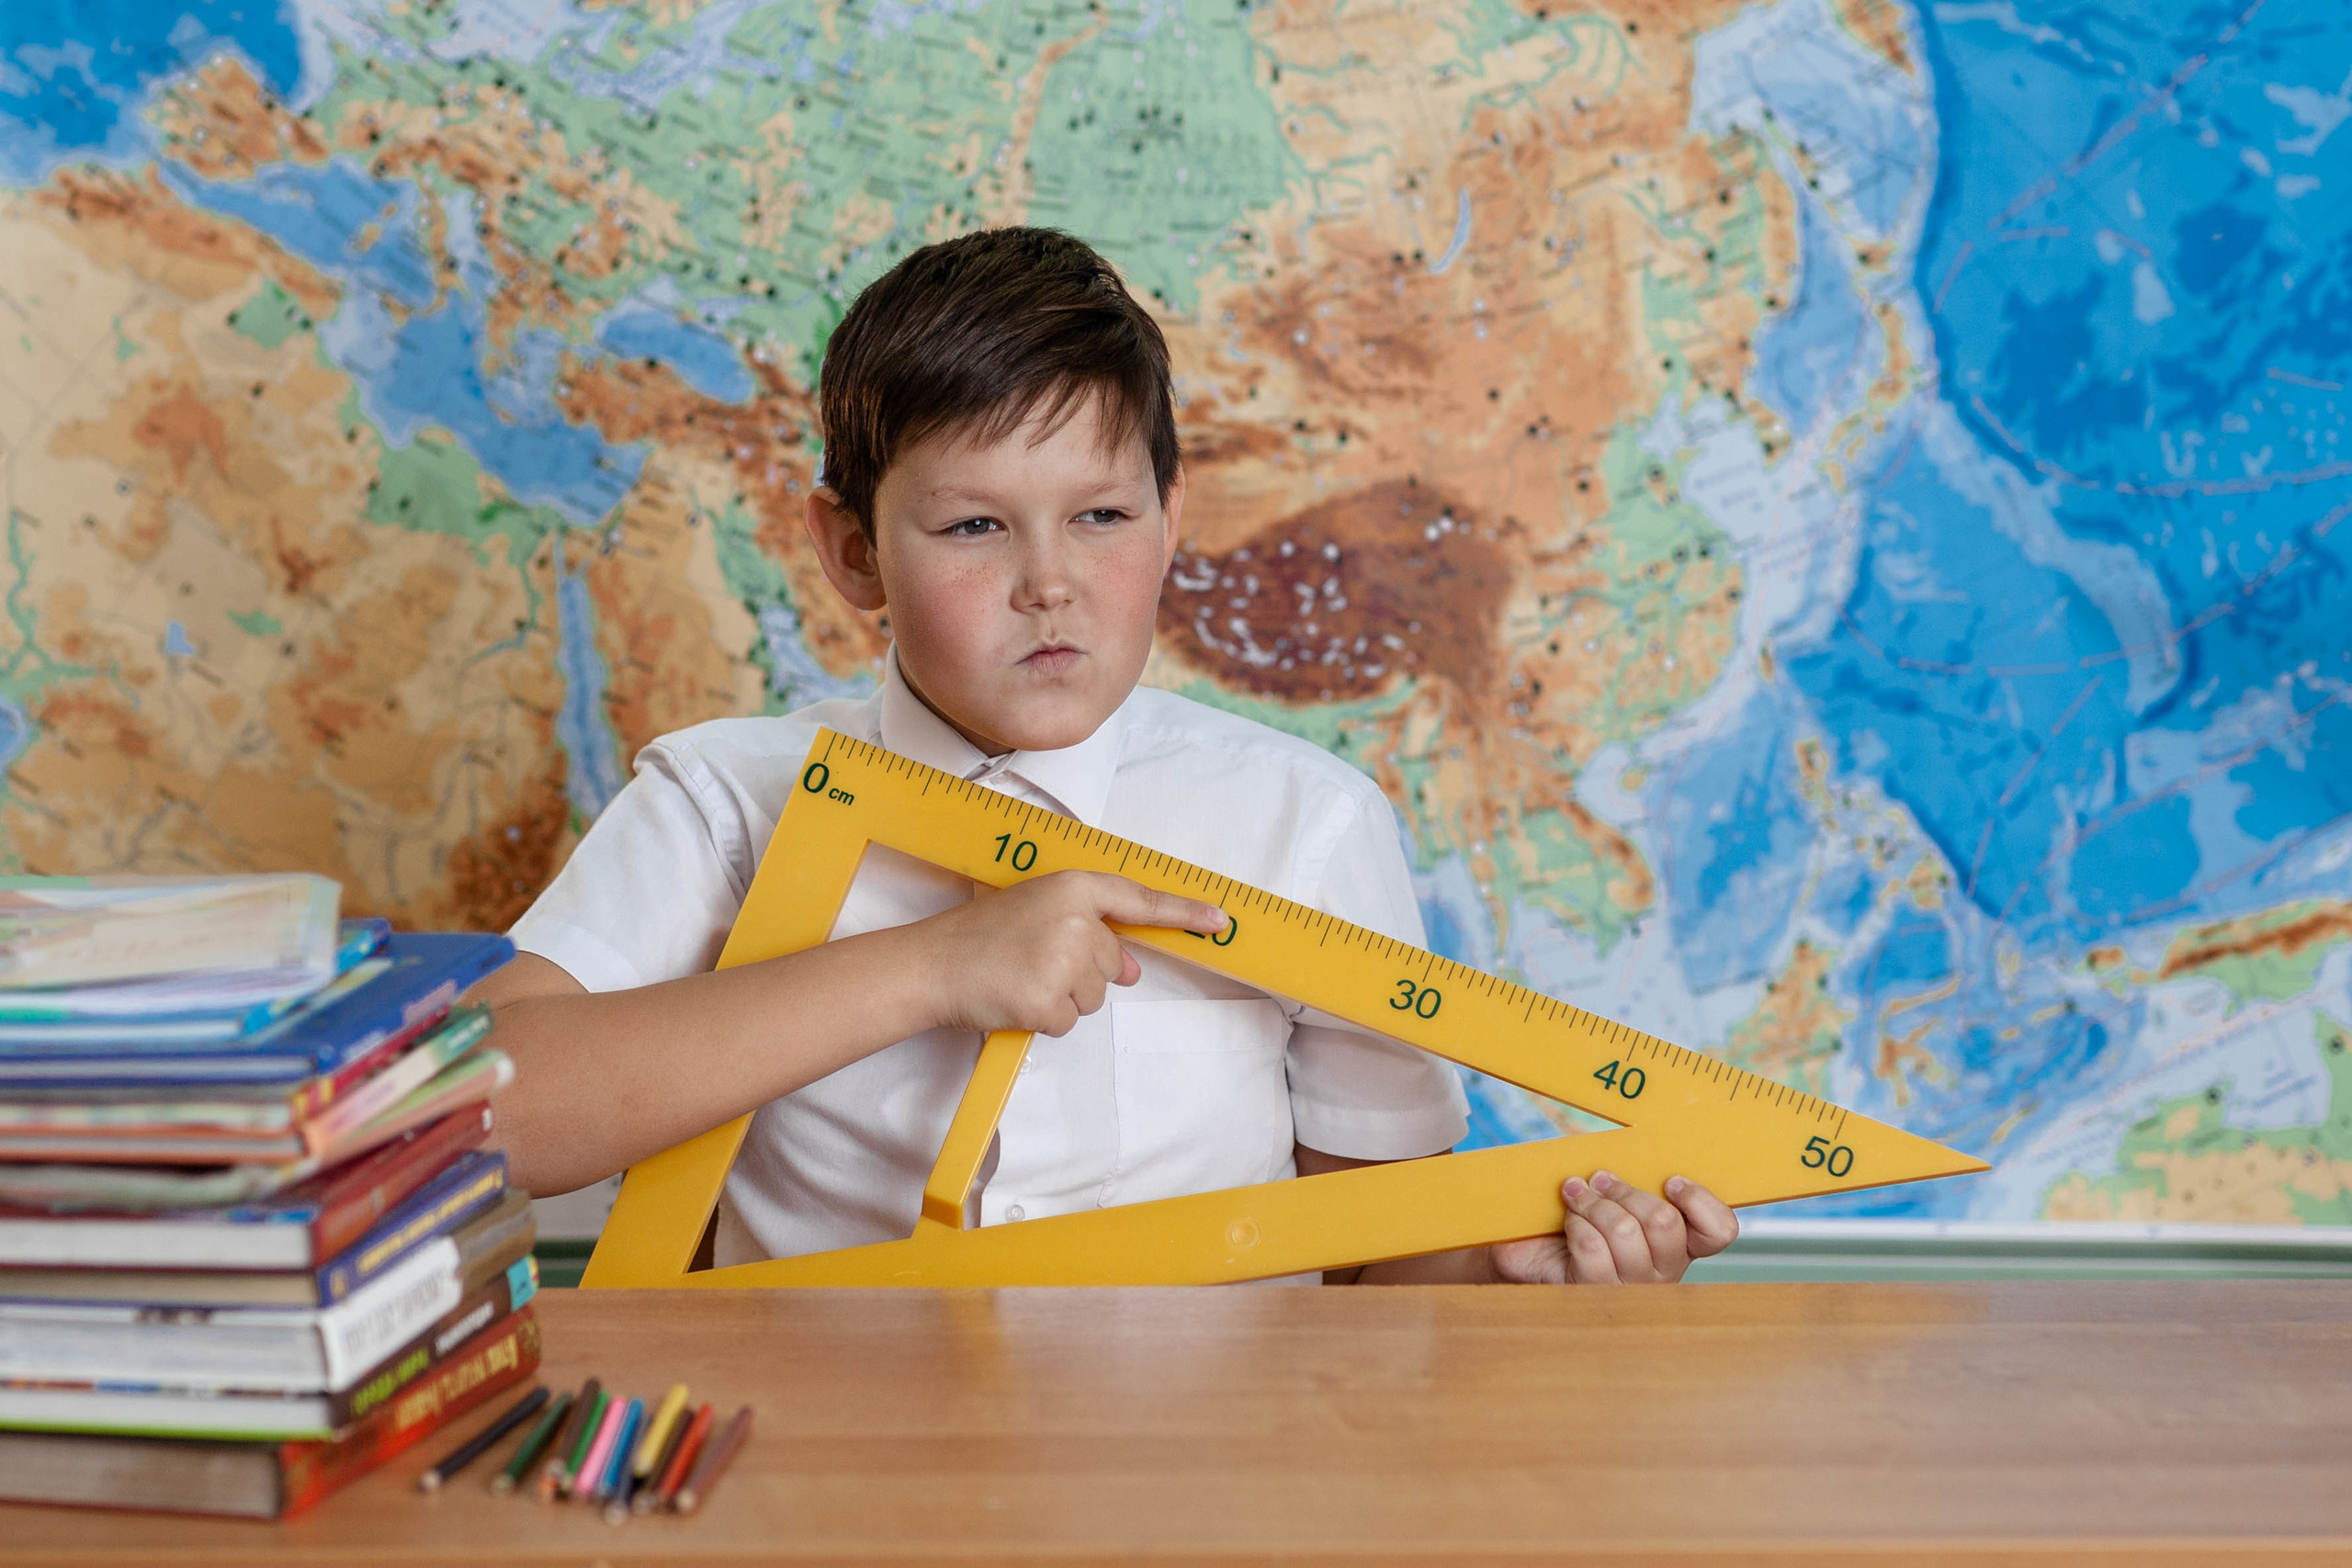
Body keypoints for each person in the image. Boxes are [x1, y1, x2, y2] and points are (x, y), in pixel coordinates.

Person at [471, 227, 1736, 1284]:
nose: (1049, 585)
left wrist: (1522, 1272)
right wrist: (928, 970)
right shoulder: (723, 804)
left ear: (1172, 520)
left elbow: (1374, 1247)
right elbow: (486, 1118)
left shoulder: (1307, 824)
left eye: (1102, 517)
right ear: (852, 551)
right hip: (821, 1473)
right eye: (973, 525)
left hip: (1209, 1480)